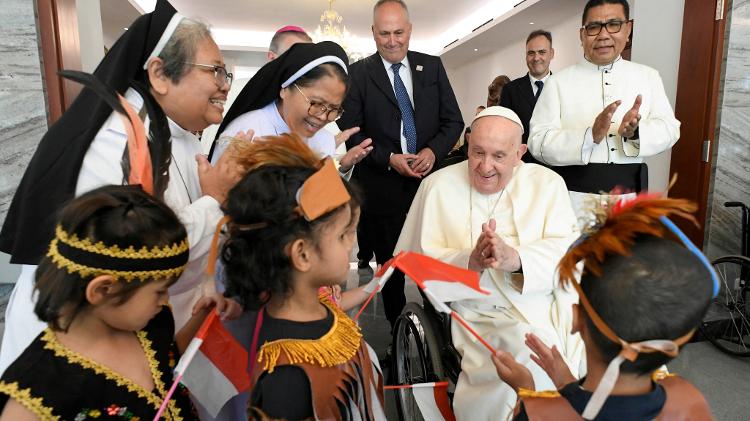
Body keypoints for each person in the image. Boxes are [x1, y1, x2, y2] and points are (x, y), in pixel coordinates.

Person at [0, 0, 241, 374]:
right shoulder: (120, 138)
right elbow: (142, 252)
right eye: (216, 72)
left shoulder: (175, 131)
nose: (225, 87)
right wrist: (216, 199)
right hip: (75, 347)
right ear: (160, 74)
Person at [395, 106, 585, 421]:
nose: (485, 167)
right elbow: (416, 266)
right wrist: (467, 262)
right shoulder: (437, 186)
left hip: (546, 301)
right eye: (477, 152)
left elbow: (568, 254)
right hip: (478, 310)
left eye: (499, 156)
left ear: (520, 153)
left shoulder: (548, 183)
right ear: (466, 143)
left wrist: (517, 260)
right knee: (523, 357)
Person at [0, 185, 236, 420]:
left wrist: (201, 317)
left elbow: (165, 360)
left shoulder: (149, 324)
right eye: (159, 291)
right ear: (103, 289)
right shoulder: (35, 396)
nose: (165, 300)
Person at [492, 196, 714, 420]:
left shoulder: (537, 415)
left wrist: (524, 392)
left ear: (577, 318)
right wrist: (566, 383)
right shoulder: (688, 399)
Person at [219, 134, 385, 420]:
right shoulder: (286, 377)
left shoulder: (320, 312)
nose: (352, 244)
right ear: (303, 255)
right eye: (344, 234)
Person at [338, 0, 464, 328]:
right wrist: (389, 159)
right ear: (373, 33)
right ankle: (397, 335)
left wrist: (433, 153)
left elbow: (453, 121)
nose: (392, 41)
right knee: (390, 269)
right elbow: (351, 132)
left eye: (398, 32)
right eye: (384, 34)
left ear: (410, 30)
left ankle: (443, 332)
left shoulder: (432, 67)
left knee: (433, 265)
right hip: (382, 189)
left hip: (428, 186)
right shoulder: (359, 73)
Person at [528, 0, 680, 225]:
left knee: (624, 261)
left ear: (628, 30)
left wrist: (636, 133)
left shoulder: (648, 77)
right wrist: (589, 136)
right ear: (582, 35)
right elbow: (537, 142)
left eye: (614, 24)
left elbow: (671, 129)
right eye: (594, 27)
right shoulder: (558, 82)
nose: (603, 35)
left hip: (630, 202)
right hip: (572, 202)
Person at [208, 41, 372, 177]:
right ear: (285, 89)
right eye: (316, 103)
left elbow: (320, 198)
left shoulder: (323, 139)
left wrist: (342, 166)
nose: (323, 117)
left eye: (333, 109)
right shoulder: (245, 134)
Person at [500, 29, 554, 163]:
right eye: (531, 53)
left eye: (542, 52)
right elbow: (505, 131)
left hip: (557, 167)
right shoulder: (510, 90)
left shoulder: (563, 86)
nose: (536, 58)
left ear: (552, 54)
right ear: (526, 56)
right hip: (521, 165)